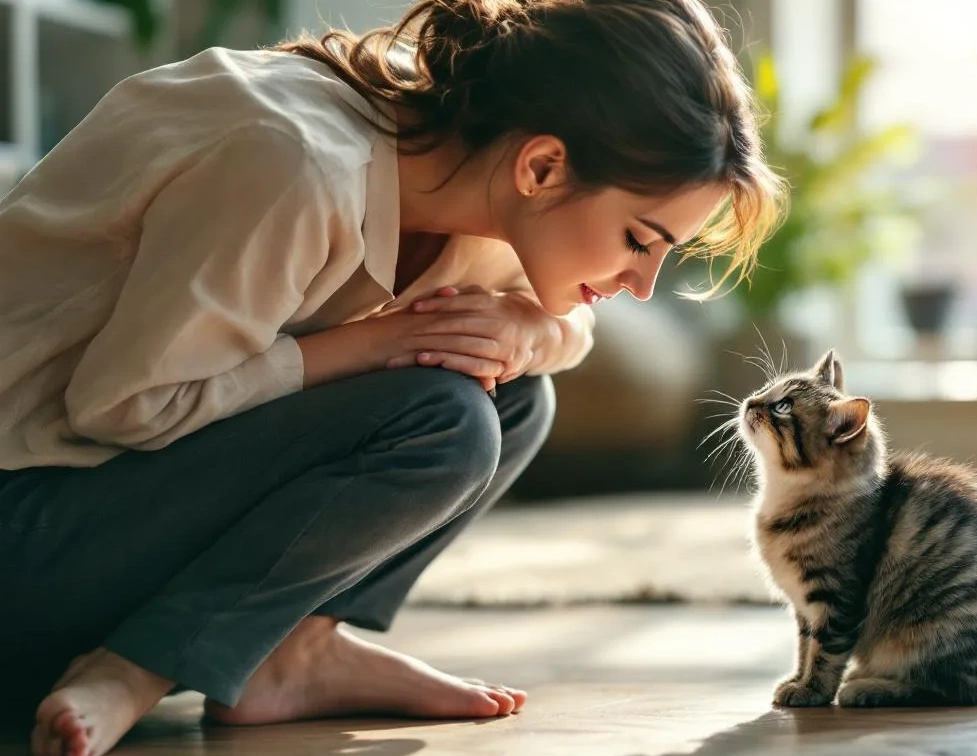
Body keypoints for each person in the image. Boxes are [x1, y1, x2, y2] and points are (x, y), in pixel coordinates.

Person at [0, 0, 784, 753]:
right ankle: (138, 669)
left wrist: (530, 328)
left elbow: (565, 335)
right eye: (638, 240)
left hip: (92, 521)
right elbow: (125, 407)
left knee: (510, 391)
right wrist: (373, 344)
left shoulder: (473, 169)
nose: (641, 285)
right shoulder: (292, 162)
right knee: (446, 418)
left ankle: (290, 655)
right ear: (542, 165)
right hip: (23, 531)